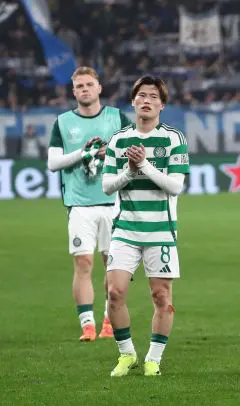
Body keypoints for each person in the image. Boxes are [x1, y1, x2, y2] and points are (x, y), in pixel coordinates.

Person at [102, 75, 189, 377]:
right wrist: (129, 171)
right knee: (114, 292)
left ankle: (153, 358)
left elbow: (175, 187)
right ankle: (127, 354)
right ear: (133, 101)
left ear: (162, 104)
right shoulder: (118, 140)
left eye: (153, 96)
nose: (147, 100)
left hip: (161, 231)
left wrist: (145, 166)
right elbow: (107, 186)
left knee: (161, 297)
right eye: (141, 95)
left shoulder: (173, 139)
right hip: (125, 228)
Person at [47, 66, 132, 342]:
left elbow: (134, 148)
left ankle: (109, 321)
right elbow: (53, 163)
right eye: (79, 86)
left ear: (99, 88)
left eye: (88, 84)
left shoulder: (116, 117)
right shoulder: (62, 122)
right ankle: (87, 324)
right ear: (73, 92)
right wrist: (83, 153)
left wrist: (112, 152)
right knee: (83, 262)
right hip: (79, 205)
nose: (84, 89)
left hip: (113, 201)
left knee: (111, 264)